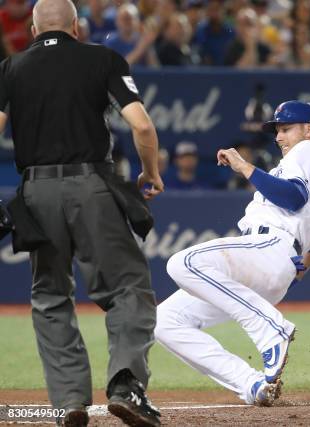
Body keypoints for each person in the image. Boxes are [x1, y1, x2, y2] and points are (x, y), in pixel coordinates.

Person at [0, 0, 164, 426]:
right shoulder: (102, 58)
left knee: (50, 296)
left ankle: (69, 403)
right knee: (128, 288)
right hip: (91, 184)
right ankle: (126, 385)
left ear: (34, 29)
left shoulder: (10, 68)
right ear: (76, 25)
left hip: (35, 191)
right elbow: (142, 125)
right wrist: (150, 173)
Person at [155, 100, 310, 406]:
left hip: (271, 248)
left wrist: (244, 167)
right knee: (165, 321)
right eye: (277, 131)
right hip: (270, 266)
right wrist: (278, 281)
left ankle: (271, 330)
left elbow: (293, 197)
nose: (279, 137)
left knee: (182, 263)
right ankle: (251, 384)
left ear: (309, 129)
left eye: (286, 129)